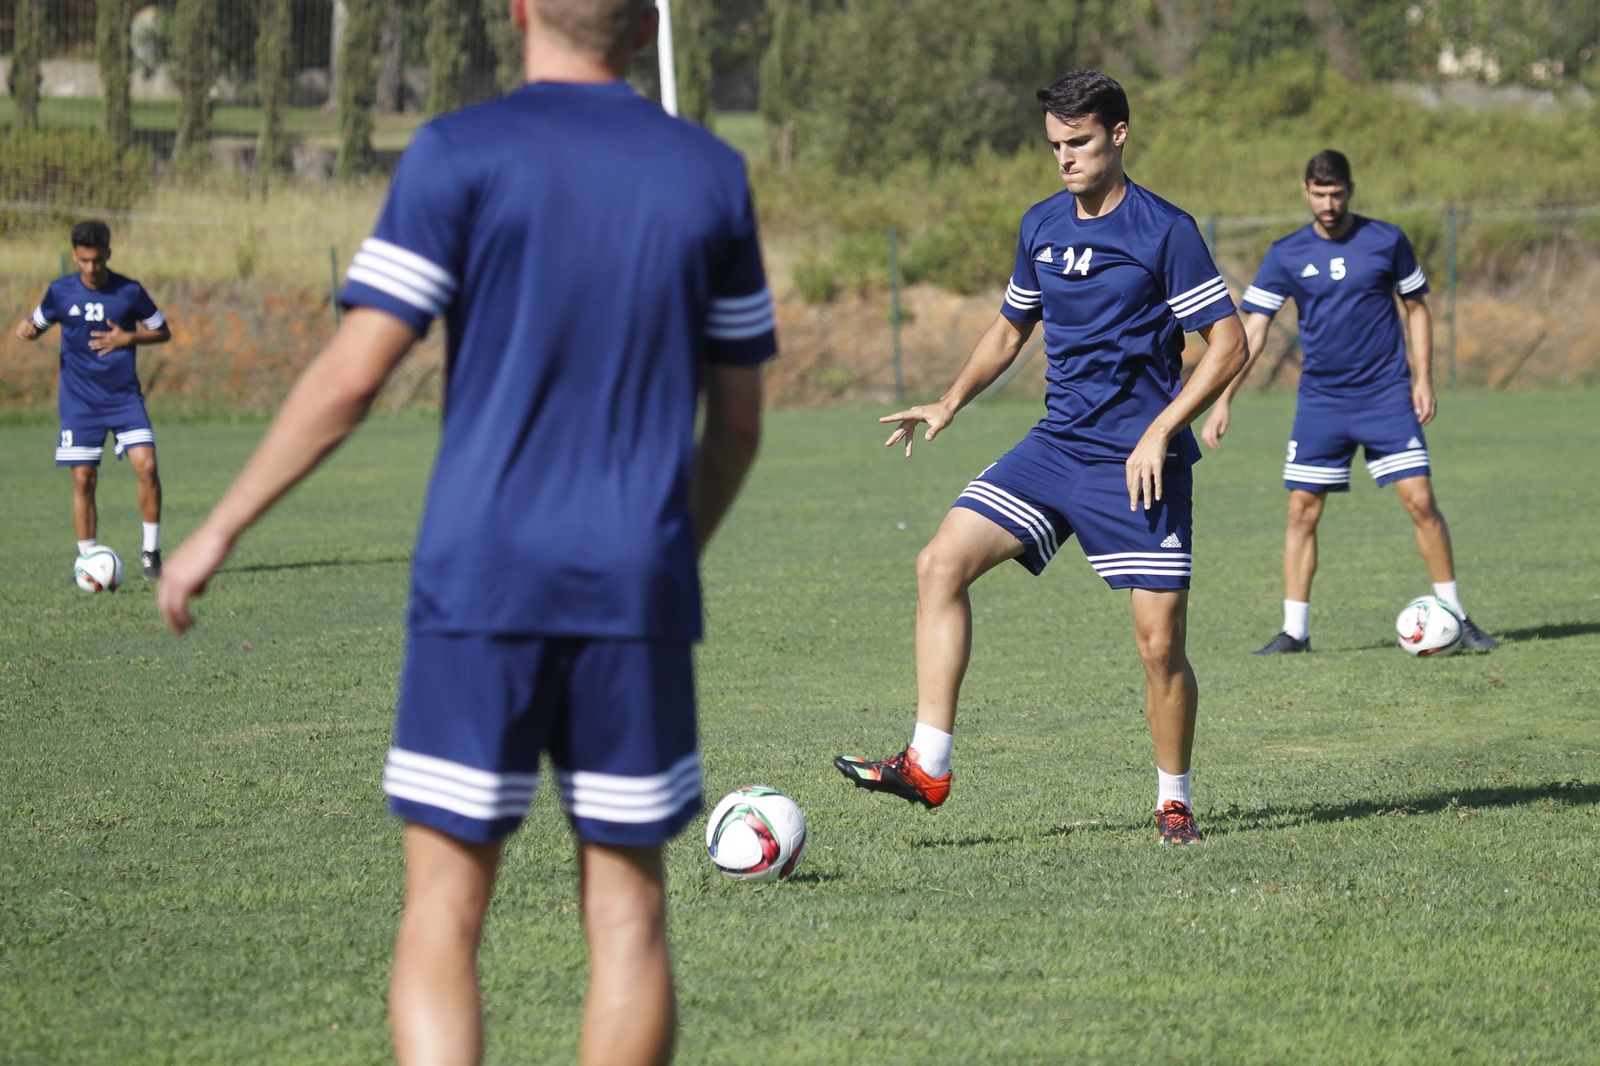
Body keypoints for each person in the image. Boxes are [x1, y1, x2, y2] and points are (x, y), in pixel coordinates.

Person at [157, 1, 775, 1061]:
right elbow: (739, 425)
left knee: (444, 911)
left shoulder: (456, 153)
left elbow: (352, 378)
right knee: (626, 917)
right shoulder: (708, 173)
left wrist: (217, 528)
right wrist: (663, 554)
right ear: (639, 30)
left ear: (517, 8)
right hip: (633, 584)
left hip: (481, 579)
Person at [833, 70, 1247, 845]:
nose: (1065, 157)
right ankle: (927, 763)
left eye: (1080, 141)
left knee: (1160, 647)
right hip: (1055, 448)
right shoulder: (1041, 226)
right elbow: (1010, 329)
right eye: (1055, 144)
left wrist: (1161, 429)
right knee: (938, 564)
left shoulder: (1166, 231)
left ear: (1118, 134)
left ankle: (1173, 802)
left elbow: (1229, 343)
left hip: (1136, 462)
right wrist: (950, 399)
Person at [1202, 149, 1496, 654]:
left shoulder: (1386, 240)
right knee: (1301, 510)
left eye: (1337, 193)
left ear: (1350, 191)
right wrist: (1223, 398)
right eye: (1319, 194)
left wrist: (1423, 378)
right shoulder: (1286, 253)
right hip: (1322, 402)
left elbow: (1417, 309)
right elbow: (1252, 330)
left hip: (1385, 395)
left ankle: (1458, 617)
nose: (1329, 203)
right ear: (1306, 192)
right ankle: (1295, 631)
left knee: (1421, 501)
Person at [15, 220, 171, 578]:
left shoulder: (129, 291)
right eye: (84, 261)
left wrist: (128, 339)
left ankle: (151, 553)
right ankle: (87, 560)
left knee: (147, 466)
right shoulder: (60, 292)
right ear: (75, 256)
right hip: (80, 402)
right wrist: (27, 330)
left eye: (97, 261)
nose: (91, 269)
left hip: (123, 398)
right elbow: (35, 325)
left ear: (108, 255)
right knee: (83, 479)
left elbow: (162, 331)